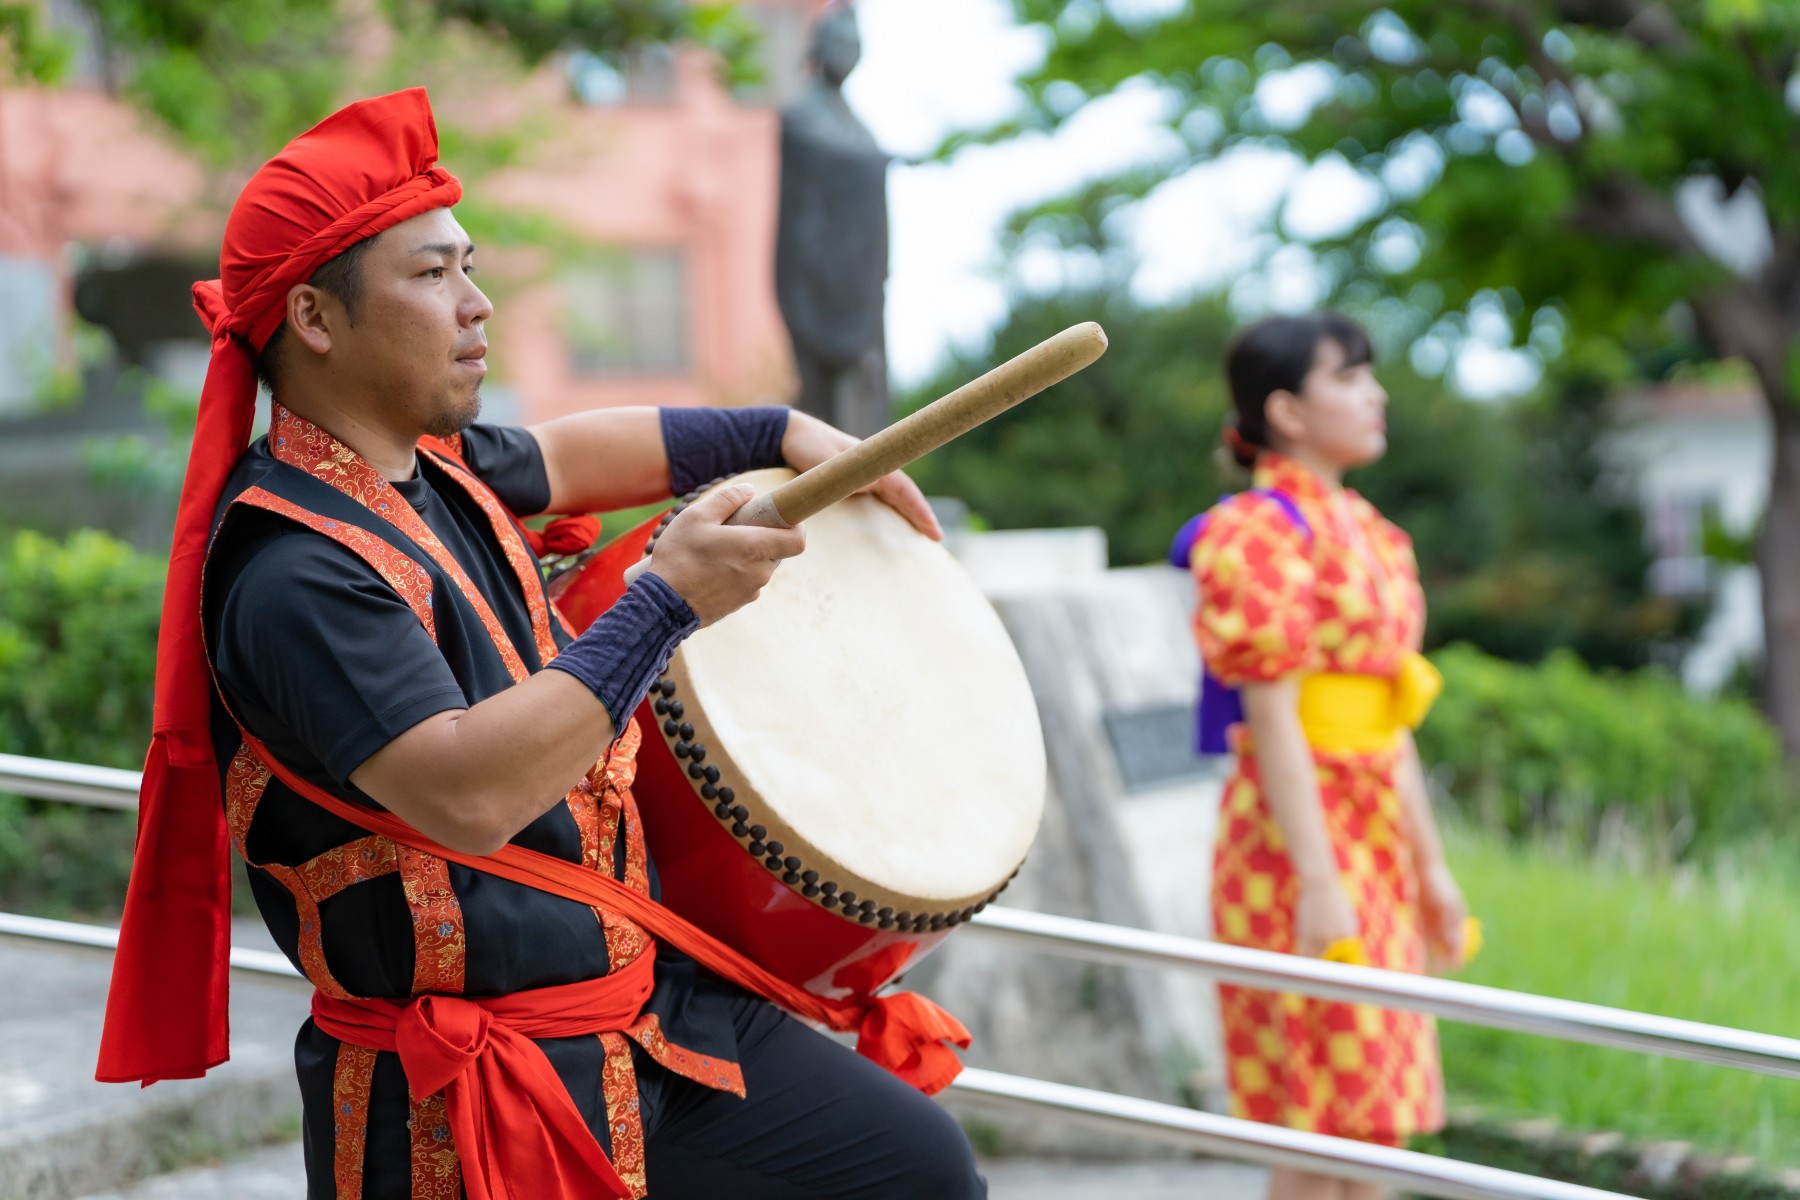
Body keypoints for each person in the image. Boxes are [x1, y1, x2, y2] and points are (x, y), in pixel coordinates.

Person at [96, 88, 986, 1200]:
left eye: (468, 267)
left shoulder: (435, 469)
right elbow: (467, 790)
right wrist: (664, 603)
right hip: (471, 1090)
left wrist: (774, 431)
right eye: (431, 276)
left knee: (910, 1167)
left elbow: (569, 455)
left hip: (639, 1011)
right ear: (317, 320)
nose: (477, 305)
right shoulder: (294, 571)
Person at [1184, 313, 1467, 1200]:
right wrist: (1317, 880)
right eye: (1350, 377)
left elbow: (1391, 721)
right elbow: (1272, 721)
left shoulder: (1373, 533)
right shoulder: (1254, 532)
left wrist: (1430, 866)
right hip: (1292, 845)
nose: (1375, 394)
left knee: (1376, 1121)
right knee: (1317, 1126)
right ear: (1289, 411)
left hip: (1372, 833)